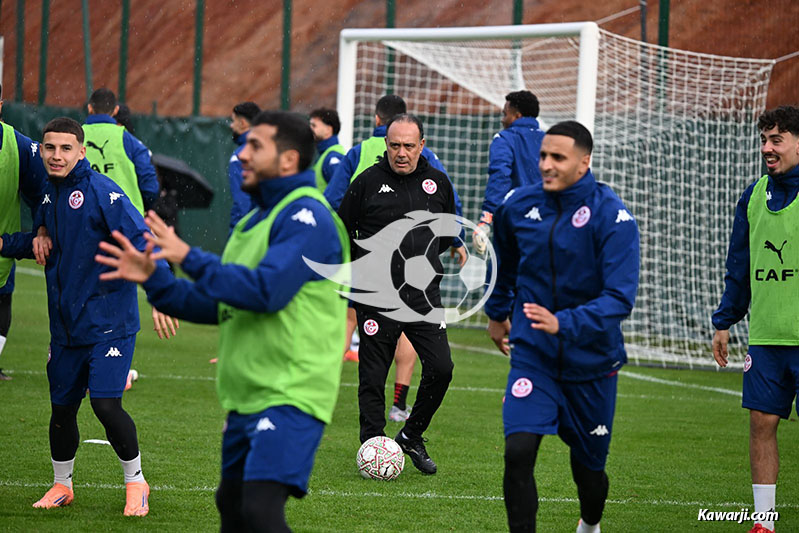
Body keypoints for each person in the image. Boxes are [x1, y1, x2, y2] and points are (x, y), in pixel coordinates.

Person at [94, 110, 349, 532]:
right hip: (247, 393)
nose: (243, 154)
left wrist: (188, 256)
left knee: (260, 510)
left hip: (292, 391)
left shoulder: (309, 217)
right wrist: (155, 278)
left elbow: (265, 292)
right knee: (232, 507)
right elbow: (219, 304)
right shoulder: (253, 222)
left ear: (287, 161)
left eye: (255, 146)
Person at [0, 117, 176, 516]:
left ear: (82, 151)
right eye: (49, 148)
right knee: (61, 411)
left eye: (65, 148)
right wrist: (14, 241)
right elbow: (44, 243)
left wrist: (163, 295)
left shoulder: (103, 193)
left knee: (105, 405)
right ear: (41, 151)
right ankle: (63, 486)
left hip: (109, 323)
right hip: (65, 327)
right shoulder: (47, 193)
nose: (56, 156)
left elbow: (141, 241)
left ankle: (136, 482)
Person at [485, 120, 639, 532]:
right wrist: (498, 314)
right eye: (543, 156)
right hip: (532, 355)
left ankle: (589, 524)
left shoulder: (613, 217)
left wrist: (563, 322)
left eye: (558, 157)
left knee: (589, 474)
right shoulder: (518, 206)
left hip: (592, 362)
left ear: (584, 162)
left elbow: (620, 297)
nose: (546, 165)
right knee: (518, 450)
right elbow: (507, 266)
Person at [338, 113, 463, 474]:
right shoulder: (366, 183)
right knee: (373, 377)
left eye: (409, 145)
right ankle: (373, 448)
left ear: (422, 145)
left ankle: (412, 434)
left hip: (423, 298)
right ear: (386, 145)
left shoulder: (438, 183)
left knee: (442, 368)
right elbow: (342, 230)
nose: (402, 153)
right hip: (376, 296)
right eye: (395, 145)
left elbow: (444, 232)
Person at [712, 105, 799, 533]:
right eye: (764, 139)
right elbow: (739, 267)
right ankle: (764, 522)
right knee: (761, 422)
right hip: (766, 337)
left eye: (776, 139)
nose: (767, 148)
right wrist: (725, 320)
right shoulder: (752, 196)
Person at [0, 83, 49, 380]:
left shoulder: (16, 145)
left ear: (1, 104)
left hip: (2, 252)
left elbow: (41, 190)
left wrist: (42, 227)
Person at [473, 90, 545, 255]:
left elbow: (500, 175)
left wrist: (486, 217)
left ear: (517, 116)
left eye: (505, 114)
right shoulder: (549, 139)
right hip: (548, 220)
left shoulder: (504, 138)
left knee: (502, 274)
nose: (502, 119)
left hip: (516, 219)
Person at [83, 88, 159, 215]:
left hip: (85, 217)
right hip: (126, 219)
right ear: (116, 110)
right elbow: (150, 187)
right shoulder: (131, 142)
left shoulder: (75, 138)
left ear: (90, 108)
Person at [228, 101, 261, 231]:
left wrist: (242, 231)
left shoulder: (240, 156)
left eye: (233, 121)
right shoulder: (270, 150)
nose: (231, 126)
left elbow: (243, 201)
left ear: (242, 123)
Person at [309, 108, 346, 190]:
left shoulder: (333, 158)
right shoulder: (321, 155)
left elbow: (340, 191)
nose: (310, 129)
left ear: (328, 130)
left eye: (314, 126)